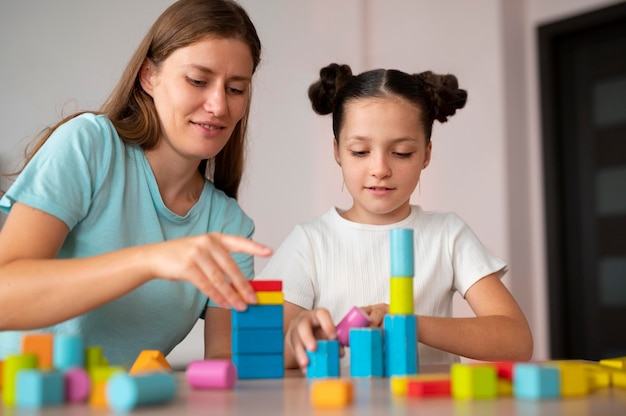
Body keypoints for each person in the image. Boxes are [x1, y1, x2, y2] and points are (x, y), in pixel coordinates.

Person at [0, 0, 271, 367]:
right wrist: (150, 259)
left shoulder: (228, 225)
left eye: (236, 89)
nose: (219, 106)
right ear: (149, 77)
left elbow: (226, 363)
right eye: (197, 81)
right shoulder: (89, 145)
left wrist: (300, 334)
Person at [257, 63, 533, 371]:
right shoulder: (309, 241)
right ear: (337, 151)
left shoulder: (447, 234)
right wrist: (301, 339)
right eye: (360, 151)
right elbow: (258, 353)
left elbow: (516, 340)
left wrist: (406, 323)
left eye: (401, 153)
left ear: (426, 154)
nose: (380, 169)